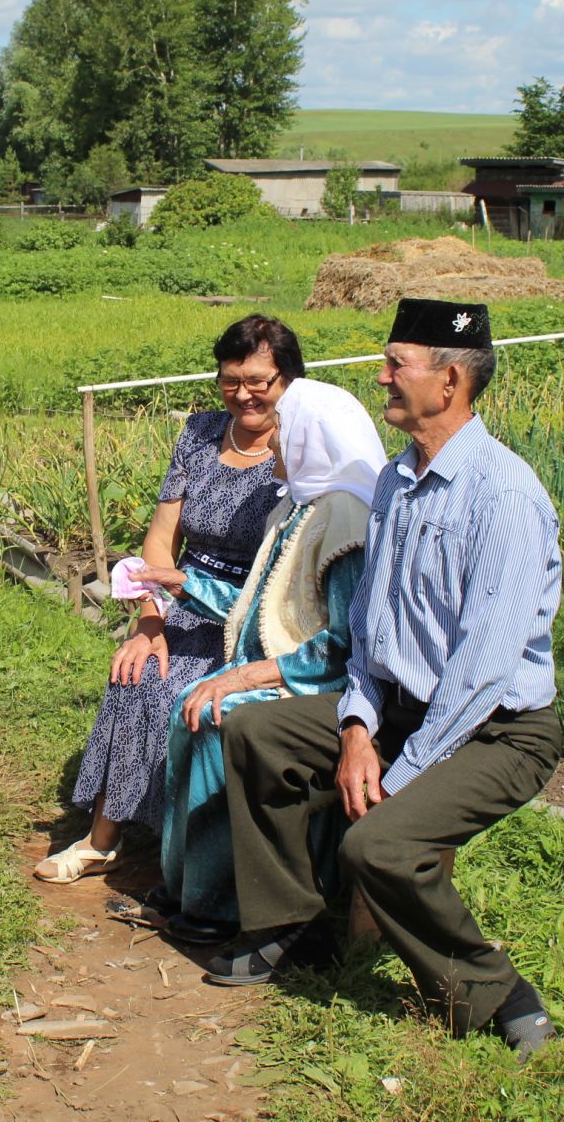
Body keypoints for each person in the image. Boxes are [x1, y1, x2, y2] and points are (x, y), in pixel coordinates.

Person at [209, 297, 564, 1063]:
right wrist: (357, 727)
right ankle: (291, 926)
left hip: (496, 728)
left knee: (378, 844)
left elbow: (483, 666)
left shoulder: (501, 494)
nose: (381, 379)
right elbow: (371, 628)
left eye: (396, 364)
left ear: (450, 382)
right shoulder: (399, 481)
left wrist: (396, 768)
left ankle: (496, 989)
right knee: (255, 730)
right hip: (400, 708)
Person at [35, 316, 300, 884]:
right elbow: (163, 535)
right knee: (137, 673)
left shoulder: (302, 444)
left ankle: (183, 846)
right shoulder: (202, 433)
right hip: (182, 595)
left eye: (260, 380)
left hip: (253, 611)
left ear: (288, 379)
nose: (244, 393)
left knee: (191, 695)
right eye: (231, 379)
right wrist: (149, 619)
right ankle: (103, 837)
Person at [144, 377, 387, 942]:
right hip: (279, 671)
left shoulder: (344, 518)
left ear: (310, 438)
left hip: (320, 687)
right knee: (193, 700)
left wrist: (247, 675)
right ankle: (189, 885)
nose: (272, 444)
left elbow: (345, 645)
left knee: (212, 715)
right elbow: (260, 607)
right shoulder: (299, 506)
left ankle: (217, 905)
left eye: (283, 431)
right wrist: (183, 583)